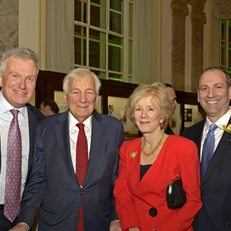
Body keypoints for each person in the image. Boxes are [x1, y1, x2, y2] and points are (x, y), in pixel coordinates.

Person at [10, 67, 124, 231]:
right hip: (56, 223)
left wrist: (116, 218)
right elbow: (38, 179)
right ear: (66, 96)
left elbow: (118, 179)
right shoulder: (45, 128)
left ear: (97, 96)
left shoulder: (113, 128)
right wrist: (24, 222)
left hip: (101, 222)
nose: (83, 99)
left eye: (89, 92)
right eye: (76, 92)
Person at [114, 83, 202, 231]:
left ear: (162, 116)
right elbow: (122, 193)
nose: (143, 115)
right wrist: (131, 225)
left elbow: (193, 201)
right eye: (138, 109)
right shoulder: (127, 149)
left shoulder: (184, 148)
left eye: (150, 109)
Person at [0, 47, 44, 231]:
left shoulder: (41, 123)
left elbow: (39, 177)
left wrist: (25, 222)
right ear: (1, 78)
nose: (23, 85)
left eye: (30, 78)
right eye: (15, 76)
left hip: (22, 217)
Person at [182, 67, 231, 231]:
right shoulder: (188, 135)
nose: (210, 94)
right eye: (204, 88)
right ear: (198, 95)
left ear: (230, 92)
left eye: (218, 87)